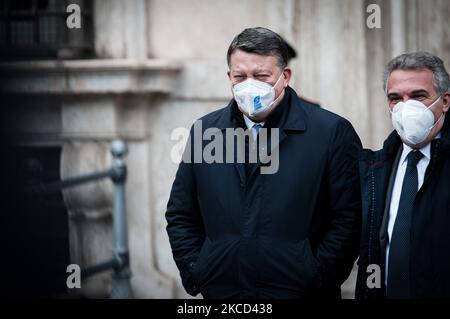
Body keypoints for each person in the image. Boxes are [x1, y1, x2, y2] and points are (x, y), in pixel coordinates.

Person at [166, 27, 361, 299]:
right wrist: (197, 269)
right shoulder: (205, 131)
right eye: (240, 76)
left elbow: (349, 218)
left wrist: (317, 277)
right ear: (229, 77)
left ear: (285, 76)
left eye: (261, 76)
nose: (249, 85)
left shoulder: (330, 132)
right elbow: (180, 213)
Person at [356, 52, 450, 299]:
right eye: (395, 98)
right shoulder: (375, 169)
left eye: (418, 96)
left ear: (445, 101)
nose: (406, 107)